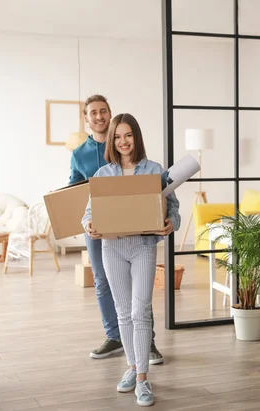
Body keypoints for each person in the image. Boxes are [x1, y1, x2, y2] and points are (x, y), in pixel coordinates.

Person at [81, 113, 180, 407]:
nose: (123, 142)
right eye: (117, 137)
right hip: (111, 248)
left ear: (136, 137)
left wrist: (170, 223)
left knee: (141, 309)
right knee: (123, 312)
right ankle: (132, 367)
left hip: (143, 246)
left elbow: (172, 206)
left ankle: (142, 379)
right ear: (112, 141)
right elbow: (89, 212)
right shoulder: (102, 174)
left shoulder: (154, 170)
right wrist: (88, 224)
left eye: (128, 135)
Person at [69, 95, 163, 365]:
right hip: (100, 230)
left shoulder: (145, 164)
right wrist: (86, 220)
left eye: (103, 111)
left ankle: (148, 341)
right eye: (93, 113)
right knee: (102, 282)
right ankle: (115, 337)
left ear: (109, 114)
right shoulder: (80, 155)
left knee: (139, 290)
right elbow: (75, 192)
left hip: (137, 234)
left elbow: (161, 198)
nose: (98, 116)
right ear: (86, 119)